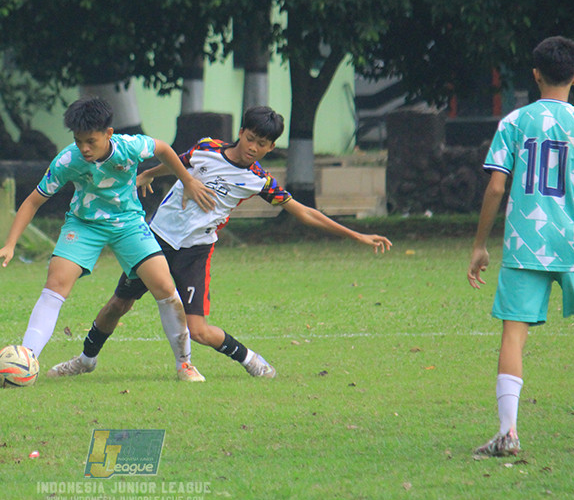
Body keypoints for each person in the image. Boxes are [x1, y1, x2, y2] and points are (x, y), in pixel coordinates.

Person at [46, 106, 392, 380]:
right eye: (251, 138)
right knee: (117, 305)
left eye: (263, 145)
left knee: (198, 330)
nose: (253, 148)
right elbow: (176, 162)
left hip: (195, 252)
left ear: (271, 148)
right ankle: (85, 360)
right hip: (156, 240)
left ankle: (249, 359)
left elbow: (305, 213)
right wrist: (150, 174)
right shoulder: (207, 148)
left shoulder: (259, 180)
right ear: (241, 132)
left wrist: (356, 234)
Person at [468, 36, 574, 455]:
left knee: (513, 335)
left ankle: (508, 432)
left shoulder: (514, 123)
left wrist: (481, 244)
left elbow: (497, 187)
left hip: (523, 244)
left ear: (535, 74)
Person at [0, 97, 216, 381]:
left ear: (109, 134)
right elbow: (33, 201)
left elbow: (163, 149)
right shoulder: (67, 160)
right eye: (78, 140)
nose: (84, 148)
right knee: (56, 283)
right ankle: (26, 361)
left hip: (128, 223)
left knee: (164, 285)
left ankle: (185, 364)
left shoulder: (129, 147)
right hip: (84, 225)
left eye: (91, 141)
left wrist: (187, 180)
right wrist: (10, 244)